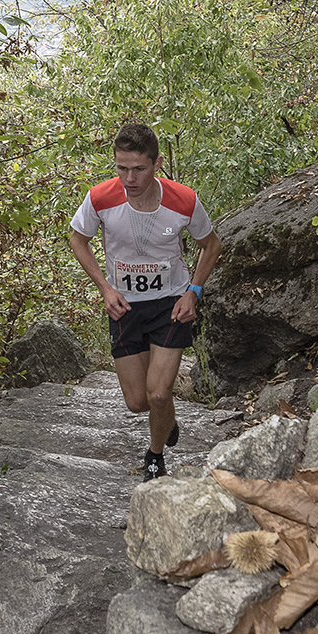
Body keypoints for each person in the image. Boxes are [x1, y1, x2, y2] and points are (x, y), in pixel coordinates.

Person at [68, 122, 221, 481]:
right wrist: (106, 288)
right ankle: (166, 418)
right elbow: (77, 239)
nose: (129, 177)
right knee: (137, 402)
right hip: (124, 306)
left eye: (139, 168)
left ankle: (155, 456)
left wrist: (192, 292)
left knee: (157, 393)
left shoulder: (184, 200)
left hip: (171, 303)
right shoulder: (101, 198)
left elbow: (211, 246)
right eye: (122, 168)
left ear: (157, 164)